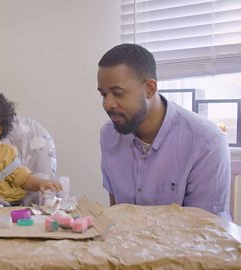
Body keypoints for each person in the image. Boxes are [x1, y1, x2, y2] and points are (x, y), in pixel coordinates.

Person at [97, 43, 231, 220]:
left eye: (117, 93)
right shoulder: (109, 135)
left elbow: (206, 233)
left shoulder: (206, 142)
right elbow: (116, 214)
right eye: (103, 94)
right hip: (130, 244)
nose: (107, 104)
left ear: (149, 89)